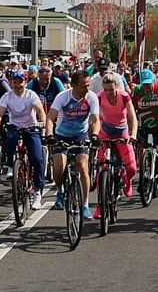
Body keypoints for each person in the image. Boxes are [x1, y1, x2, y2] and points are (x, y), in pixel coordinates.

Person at [46, 69, 97, 218]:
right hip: (62, 135)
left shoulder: (91, 97)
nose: (87, 88)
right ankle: (60, 191)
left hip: (80, 135)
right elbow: (50, 118)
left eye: (88, 85)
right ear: (73, 85)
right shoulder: (63, 97)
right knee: (59, 167)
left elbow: (95, 119)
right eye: (83, 86)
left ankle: (85, 205)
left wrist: (94, 135)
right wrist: (50, 135)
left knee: (82, 167)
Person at [95, 67, 139, 202]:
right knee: (102, 169)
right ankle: (100, 206)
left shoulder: (124, 96)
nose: (109, 93)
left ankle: (127, 179)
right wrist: (94, 134)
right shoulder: (99, 97)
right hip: (106, 132)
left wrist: (133, 135)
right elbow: (94, 117)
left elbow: (132, 117)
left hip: (122, 132)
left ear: (117, 87)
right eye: (106, 90)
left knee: (132, 168)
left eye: (111, 90)